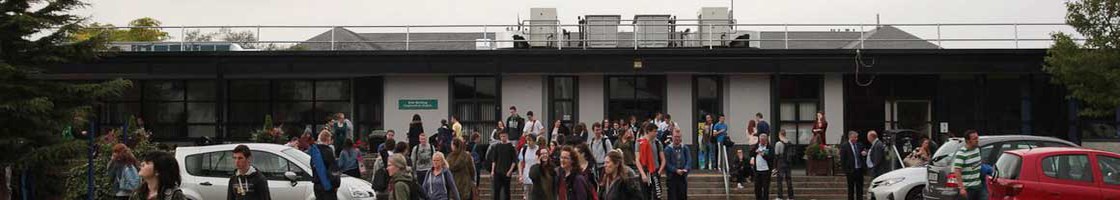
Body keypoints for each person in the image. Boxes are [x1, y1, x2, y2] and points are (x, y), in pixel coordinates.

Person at [953, 130, 986, 200]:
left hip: (979, 186)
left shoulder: (977, 149)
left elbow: (977, 165)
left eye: (977, 138)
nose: (977, 140)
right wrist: (961, 188)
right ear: (968, 141)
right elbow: (957, 170)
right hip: (968, 188)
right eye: (974, 139)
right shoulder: (961, 153)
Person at [636, 123, 664, 200]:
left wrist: (659, 171)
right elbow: (637, 160)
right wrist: (642, 174)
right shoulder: (640, 142)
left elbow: (663, 159)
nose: (656, 133)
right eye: (654, 131)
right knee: (646, 194)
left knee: (657, 194)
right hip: (646, 171)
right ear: (648, 131)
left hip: (655, 171)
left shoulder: (658, 143)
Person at [310, 132, 341, 200]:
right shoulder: (328, 152)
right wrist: (336, 184)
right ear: (328, 140)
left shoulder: (314, 151)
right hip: (327, 186)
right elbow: (334, 170)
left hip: (317, 185)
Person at [488, 132, 518, 200]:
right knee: (496, 190)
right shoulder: (497, 146)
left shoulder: (511, 147)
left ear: (507, 136)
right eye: (501, 136)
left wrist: (510, 171)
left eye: (504, 136)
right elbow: (494, 160)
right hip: (497, 171)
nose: (502, 138)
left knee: (507, 190)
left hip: (507, 171)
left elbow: (514, 160)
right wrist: (492, 171)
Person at [663, 129, 690, 200]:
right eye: (675, 136)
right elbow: (667, 163)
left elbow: (689, 160)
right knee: (672, 196)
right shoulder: (668, 149)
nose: (677, 138)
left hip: (682, 176)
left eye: (679, 136)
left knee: (682, 196)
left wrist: (686, 169)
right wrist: (675, 170)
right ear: (672, 137)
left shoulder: (685, 148)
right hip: (672, 176)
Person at [840, 131, 866, 200]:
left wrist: (864, 152)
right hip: (850, 171)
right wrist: (846, 170)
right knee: (851, 189)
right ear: (850, 137)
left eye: (857, 137)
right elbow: (842, 159)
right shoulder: (844, 146)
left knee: (860, 189)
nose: (856, 139)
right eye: (855, 137)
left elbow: (864, 150)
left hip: (859, 170)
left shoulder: (859, 145)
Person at [749, 134, 774, 200]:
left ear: (766, 140)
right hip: (757, 170)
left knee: (765, 188)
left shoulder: (770, 148)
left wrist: (763, 154)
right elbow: (750, 154)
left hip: (766, 170)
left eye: (763, 141)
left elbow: (771, 158)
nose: (762, 142)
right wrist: (755, 151)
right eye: (760, 140)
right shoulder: (757, 146)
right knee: (757, 188)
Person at [518, 136, 542, 200]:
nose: (528, 142)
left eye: (530, 140)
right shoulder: (524, 149)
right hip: (526, 176)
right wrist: (520, 175)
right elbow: (520, 163)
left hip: (537, 178)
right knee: (527, 196)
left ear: (534, 141)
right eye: (527, 140)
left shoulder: (539, 149)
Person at [774, 130, 794, 200]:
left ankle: (780, 196)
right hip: (788, 162)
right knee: (788, 179)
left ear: (780, 135)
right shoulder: (790, 142)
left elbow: (776, 154)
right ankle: (791, 196)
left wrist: (775, 166)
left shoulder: (778, 143)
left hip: (781, 162)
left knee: (779, 180)